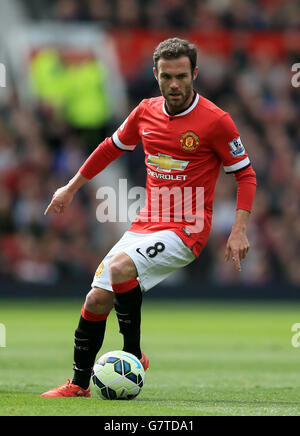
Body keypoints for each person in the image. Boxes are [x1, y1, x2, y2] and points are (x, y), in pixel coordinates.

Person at [41, 38, 257, 397]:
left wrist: (239, 230)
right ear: (156, 74)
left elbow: (246, 174)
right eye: (167, 76)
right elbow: (111, 147)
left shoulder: (217, 121)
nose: (175, 84)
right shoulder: (145, 111)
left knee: (121, 268)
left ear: (195, 74)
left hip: (187, 230)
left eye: (182, 76)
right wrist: (71, 186)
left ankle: (132, 353)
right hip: (145, 224)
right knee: (96, 299)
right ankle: (78, 385)